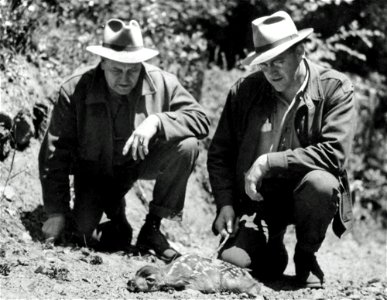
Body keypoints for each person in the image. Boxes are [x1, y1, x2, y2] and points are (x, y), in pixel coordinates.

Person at [39, 18, 210, 262]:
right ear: (103, 63)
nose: (124, 78)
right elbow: (55, 152)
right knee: (88, 237)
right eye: (116, 70)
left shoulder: (163, 82)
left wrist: (158, 122)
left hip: (139, 163)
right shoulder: (76, 89)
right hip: (94, 173)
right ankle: (115, 214)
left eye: (133, 70)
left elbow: (201, 119)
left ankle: (152, 228)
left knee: (187, 146)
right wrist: (56, 211)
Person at [207, 11, 356, 288]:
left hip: (308, 190)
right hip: (259, 198)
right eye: (264, 64)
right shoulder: (245, 91)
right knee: (233, 262)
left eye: (278, 61)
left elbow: (334, 154)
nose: (271, 71)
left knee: (322, 184)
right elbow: (220, 153)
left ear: (300, 51)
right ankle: (271, 245)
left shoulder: (335, 88)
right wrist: (225, 203)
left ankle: (305, 255)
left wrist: (269, 160)